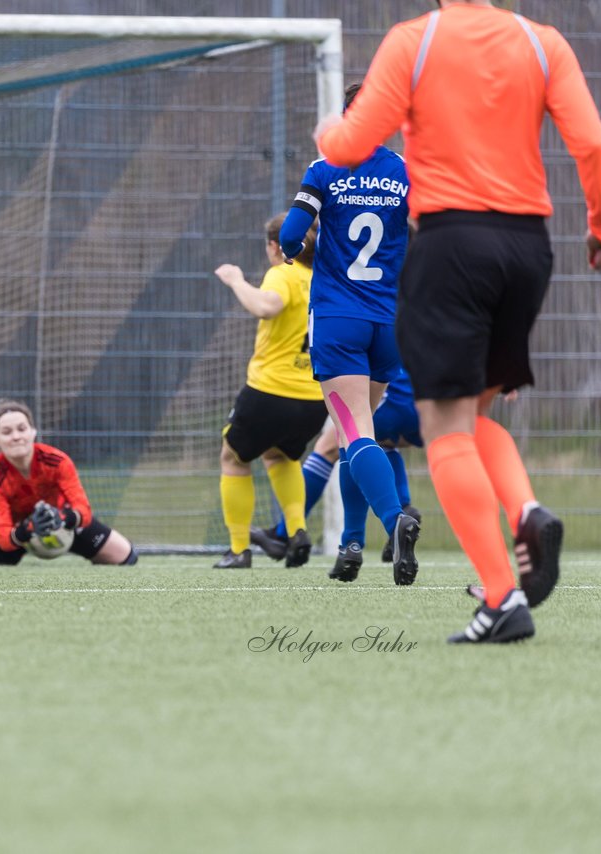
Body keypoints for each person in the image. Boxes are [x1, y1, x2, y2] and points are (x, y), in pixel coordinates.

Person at [316, 0, 601, 643]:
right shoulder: (543, 42)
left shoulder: (413, 41)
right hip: (527, 248)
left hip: (452, 243)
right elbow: (593, 140)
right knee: (476, 414)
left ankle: (503, 598)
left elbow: (349, 143)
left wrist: (326, 135)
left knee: (445, 426)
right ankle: (527, 509)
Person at [273, 82, 419, 586]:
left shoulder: (324, 169)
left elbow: (291, 234)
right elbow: (425, 230)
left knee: (351, 431)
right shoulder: (404, 171)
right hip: (388, 320)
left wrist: (294, 252)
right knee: (362, 433)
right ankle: (351, 544)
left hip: (338, 318)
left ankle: (394, 519)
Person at [212, 215, 325, 569]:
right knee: (280, 457)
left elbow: (265, 306)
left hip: (271, 390)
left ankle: (238, 549)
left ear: (276, 247)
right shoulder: (322, 278)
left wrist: (236, 280)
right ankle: (297, 531)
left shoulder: (283, 273)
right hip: (314, 397)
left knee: (233, 458)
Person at [252, 369, 423, 568]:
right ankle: (404, 506)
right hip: (425, 404)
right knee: (380, 443)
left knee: (332, 447)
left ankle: (290, 534)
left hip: (393, 400)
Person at [0, 399, 137, 566]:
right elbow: (4, 538)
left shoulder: (57, 461)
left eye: (22, 429)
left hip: (62, 524)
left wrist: (61, 518)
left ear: (33, 432)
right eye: (7, 432)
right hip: (16, 532)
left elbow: (84, 510)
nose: (16, 437)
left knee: (125, 557)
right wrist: (29, 528)